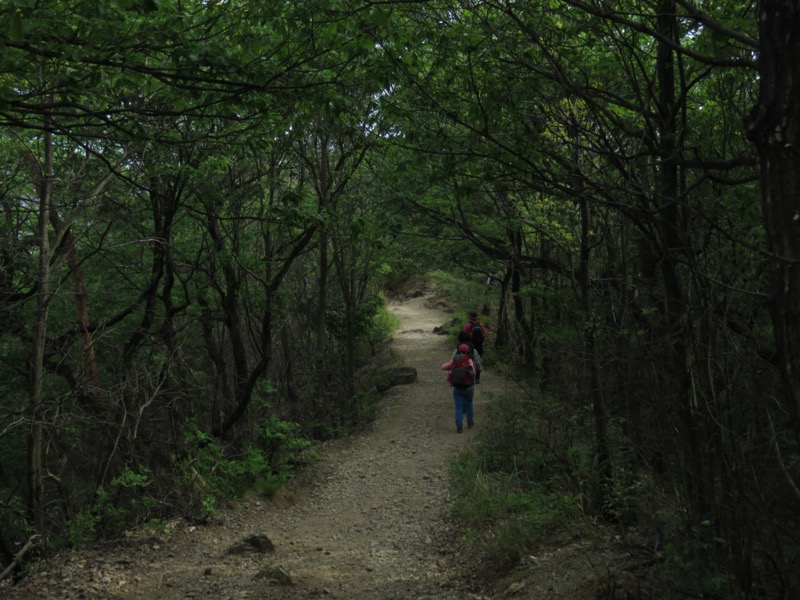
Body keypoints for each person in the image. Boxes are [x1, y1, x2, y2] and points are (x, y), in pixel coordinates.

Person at [441, 343, 476, 433]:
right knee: (469, 404)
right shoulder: (469, 360)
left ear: (458, 350)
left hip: (457, 387)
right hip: (468, 387)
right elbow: (474, 372)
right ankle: (470, 422)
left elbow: (443, 367)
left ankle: (459, 424)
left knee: (458, 406)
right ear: (468, 351)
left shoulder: (455, 360)